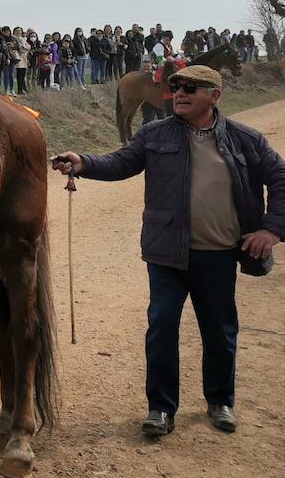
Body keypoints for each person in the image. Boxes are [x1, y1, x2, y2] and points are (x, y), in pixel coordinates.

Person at [53, 64, 284, 438]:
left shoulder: (245, 138)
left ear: (215, 96)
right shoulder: (153, 134)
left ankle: (220, 401)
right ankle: (160, 409)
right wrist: (83, 163)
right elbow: (121, 162)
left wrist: (272, 228)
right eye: (176, 86)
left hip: (220, 253)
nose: (180, 92)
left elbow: (280, 176)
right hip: (166, 254)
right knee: (161, 328)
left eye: (192, 87)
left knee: (220, 329)